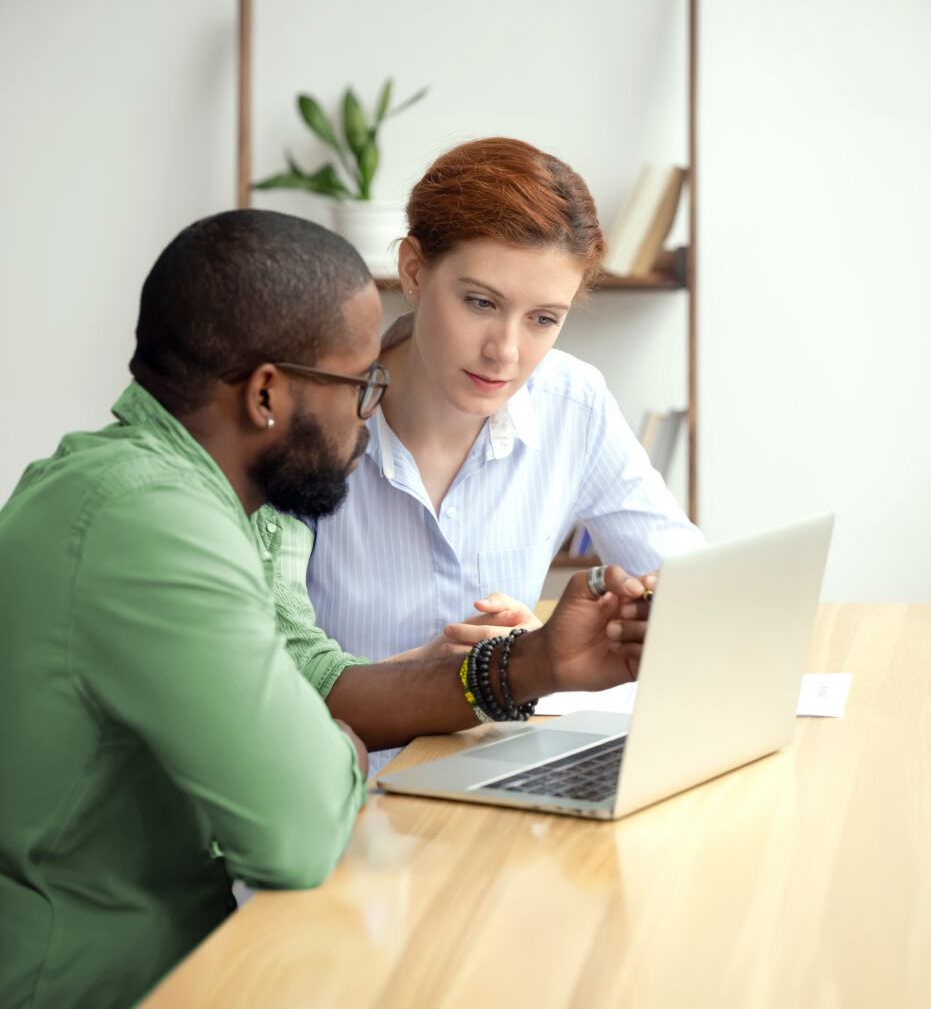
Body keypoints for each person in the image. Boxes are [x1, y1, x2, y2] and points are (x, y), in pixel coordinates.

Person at [0, 209, 654, 1009]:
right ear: (267, 393)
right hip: (107, 983)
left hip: (207, 951)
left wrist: (533, 663)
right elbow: (299, 831)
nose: (367, 413)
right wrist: (327, 746)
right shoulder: (146, 520)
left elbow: (310, 674)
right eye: (359, 384)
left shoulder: (201, 499)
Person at [305, 137, 703, 664]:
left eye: (544, 319)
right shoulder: (307, 420)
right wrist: (512, 668)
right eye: (480, 302)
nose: (506, 352)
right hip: (354, 748)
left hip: (509, 743)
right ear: (414, 271)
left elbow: (692, 594)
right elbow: (269, 679)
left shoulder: (572, 403)